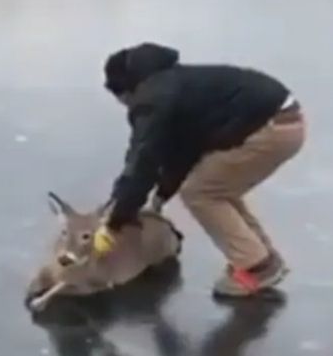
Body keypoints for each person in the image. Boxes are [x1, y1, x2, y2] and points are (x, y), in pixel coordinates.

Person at [92, 42, 306, 298]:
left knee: (201, 192)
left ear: (126, 90)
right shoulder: (174, 83)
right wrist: (160, 198)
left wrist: (117, 219)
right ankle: (263, 257)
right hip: (284, 122)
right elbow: (183, 153)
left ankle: (256, 267)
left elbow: (142, 159)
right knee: (218, 186)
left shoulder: (153, 98)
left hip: (268, 130)